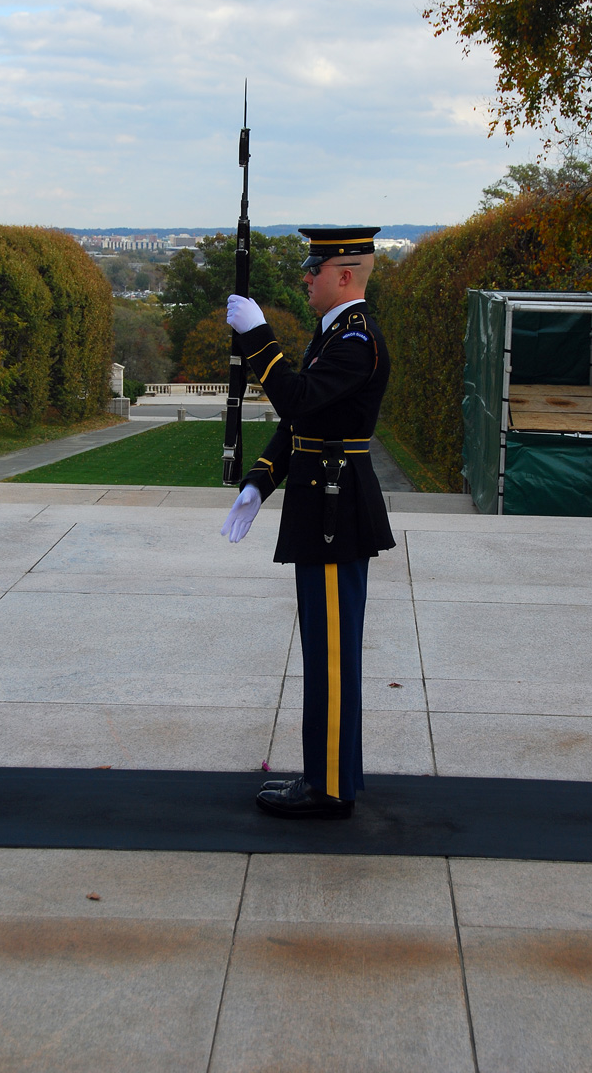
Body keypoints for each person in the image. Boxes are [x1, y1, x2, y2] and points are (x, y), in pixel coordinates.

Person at [221, 225, 395, 819]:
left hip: (335, 512)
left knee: (331, 656)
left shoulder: (356, 341)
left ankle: (328, 787)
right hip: (324, 504)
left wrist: (258, 339)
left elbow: (293, 400)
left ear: (344, 275)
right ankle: (331, 776)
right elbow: (304, 426)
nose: (306, 278)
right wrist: (260, 480)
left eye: (314, 270)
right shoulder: (333, 335)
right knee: (326, 650)